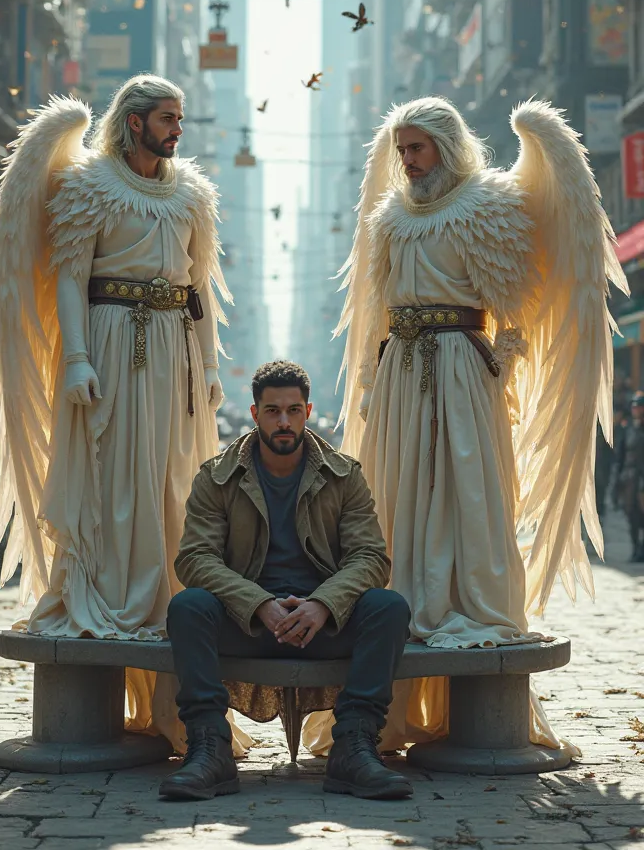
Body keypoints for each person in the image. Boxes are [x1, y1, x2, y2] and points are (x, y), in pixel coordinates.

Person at [320, 96, 627, 755]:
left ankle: (467, 602)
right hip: (402, 368)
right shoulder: (390, 215)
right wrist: (373, 382)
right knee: (395, 495)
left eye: (417, 148)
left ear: (446, 145)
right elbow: (378, 309)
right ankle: (402, 609)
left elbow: (516, 310)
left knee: (467, 491)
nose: (407, 161)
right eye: (401, 150)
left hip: (463, 365)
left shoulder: (488, 203)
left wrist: (500, 372)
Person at [0, 74, 234, 752]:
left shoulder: (192, 193)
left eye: (181, 117)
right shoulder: (89, 184)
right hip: (113, 340)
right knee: (115, 476)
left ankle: (168, 599)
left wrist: (208, 365)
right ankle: (116, 592)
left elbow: (198, 284)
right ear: (135, 121)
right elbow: (67, 274)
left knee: (177, 479)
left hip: (174, 346)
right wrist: (79, 357)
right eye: (167, 117)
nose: (178, 128)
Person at [161, 360, 413, 802]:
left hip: (323, 623)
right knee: (188, 607)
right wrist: (258, 604)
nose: (284, 422)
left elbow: (370, 556)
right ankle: (208, 748)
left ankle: (354, 748)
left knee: (388, 608)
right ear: (255, 413)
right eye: (273, 411)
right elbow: (195, 558)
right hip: (249, 623)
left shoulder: (343, 474)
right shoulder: (216, 477)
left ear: (308, 411)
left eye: (293, 410)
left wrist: (323, 604)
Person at [611, 391, 644, 561]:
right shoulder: (628, 429)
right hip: (630, 479)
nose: (636, 410)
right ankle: (635, 548)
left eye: (639, 407)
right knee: (631, 515)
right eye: (634, 407)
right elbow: (620, 456)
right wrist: (617, 480)